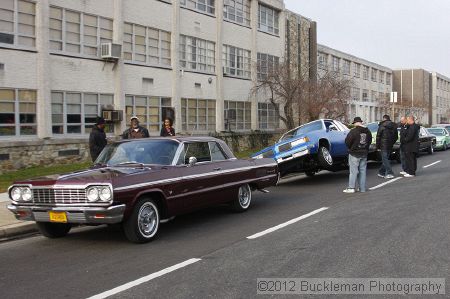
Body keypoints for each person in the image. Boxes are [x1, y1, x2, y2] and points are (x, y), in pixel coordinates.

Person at [344, 117, 372, 193]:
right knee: (362, 171)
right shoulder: (368, 131)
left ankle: (351, 188)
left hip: (354, 153)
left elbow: (347, 142)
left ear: (356, 123)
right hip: (364, 153)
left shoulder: (353, 131)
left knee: (353, 171)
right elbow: (369, 141)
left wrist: (351, 148)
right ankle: (362, 188)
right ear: (361, 122)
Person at [376, 114, 398, 179]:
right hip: (390, 145)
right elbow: (396, 137)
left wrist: (377, 147)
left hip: (383, 146)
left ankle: (390, 173)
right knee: (385, 159)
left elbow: (378, 137)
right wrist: (391, 143)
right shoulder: (394, 126)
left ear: (384, 118)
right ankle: (381, 172)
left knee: (385, 159)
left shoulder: (381, 125)